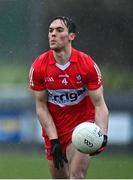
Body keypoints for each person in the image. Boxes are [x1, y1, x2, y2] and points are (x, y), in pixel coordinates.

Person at [29, 16, 109, 179]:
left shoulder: (87, 64)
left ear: (71, 36)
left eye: (59, 31)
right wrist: (54, 140)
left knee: (77, 175)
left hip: (82, 125)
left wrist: (103, 135)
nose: (53, 34)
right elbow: (41, 107)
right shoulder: (38, 67)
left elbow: (99, 104)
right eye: (50, 31)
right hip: (55, 128)